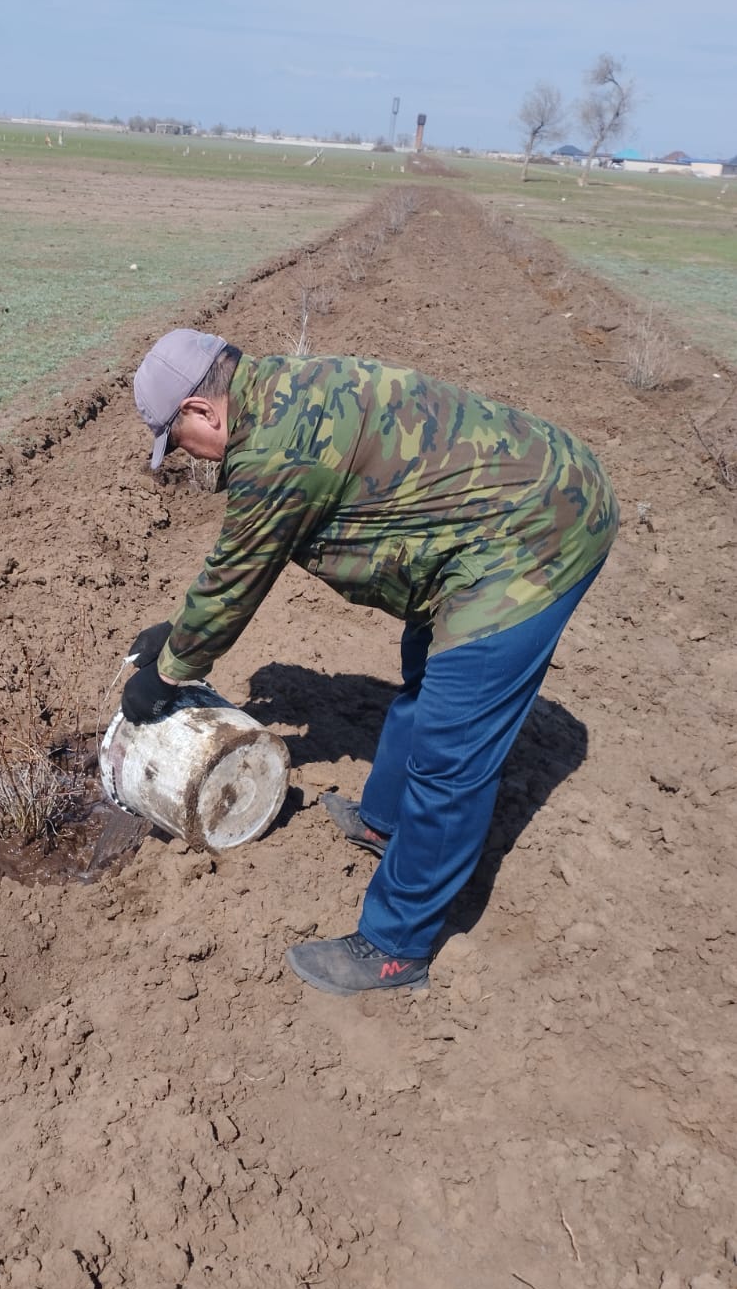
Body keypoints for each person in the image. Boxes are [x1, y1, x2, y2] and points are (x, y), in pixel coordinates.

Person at [122, 328, 618, 997]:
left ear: (200, 412)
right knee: (426, 666)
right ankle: (385, 820)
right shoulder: (279, 392)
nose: (189, 460)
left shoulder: (275, 450)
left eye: (179, 443)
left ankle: (396, 946)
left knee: (453, 747)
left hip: (539, 529)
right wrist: (176, 636)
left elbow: (237, 578)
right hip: (483, 517)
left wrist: (169, 671)